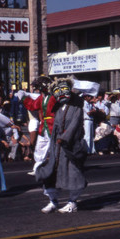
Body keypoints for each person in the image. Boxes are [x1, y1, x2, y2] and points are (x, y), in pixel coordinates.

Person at [36, 78, 87, 214]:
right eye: (57, 91)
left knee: (73, 173)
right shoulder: (58, 109)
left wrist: (64, 138)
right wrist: (53, 145)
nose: (61, 93)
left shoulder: (77, 108)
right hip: (57, 148)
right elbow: (56, 128)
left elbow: (74, 126)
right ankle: (53, 201)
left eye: (63, 90)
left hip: (71, 147)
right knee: (51, 173)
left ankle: (72, 202)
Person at [17, 76, 56, 175]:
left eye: (38, 87)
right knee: (40, 146)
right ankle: (37, 168)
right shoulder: (41, 97)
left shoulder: (54, 96)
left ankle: (60, 166)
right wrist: (23, 98)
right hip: (44, 125)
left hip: (53, 124)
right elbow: (33, 105)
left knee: (56, 147)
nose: (37, 89)